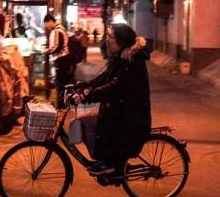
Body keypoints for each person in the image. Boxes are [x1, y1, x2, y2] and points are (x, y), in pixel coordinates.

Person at [71, 24, 151, 175]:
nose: (107, 40)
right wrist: (85, 85)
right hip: (122, 106)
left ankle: (111, 165)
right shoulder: (119, 56)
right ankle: (105, 161)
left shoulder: (132, 59)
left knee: (104, 122)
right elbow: (104, 77)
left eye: (110, 37)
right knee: (91, 120)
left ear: (121, 40)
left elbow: (116, 85)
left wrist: (91, 94)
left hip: (132, 113)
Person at [43, 14, 74, 108]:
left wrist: (46, 51)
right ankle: (64, 104)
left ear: (50, 21)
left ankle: (61, 106)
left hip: (61, 59)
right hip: (66, 59)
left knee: (60, 83)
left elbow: (56, 46)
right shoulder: (62, 28)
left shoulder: (56, 31)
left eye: (46, 24)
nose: (47, 27)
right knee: (64, 82)